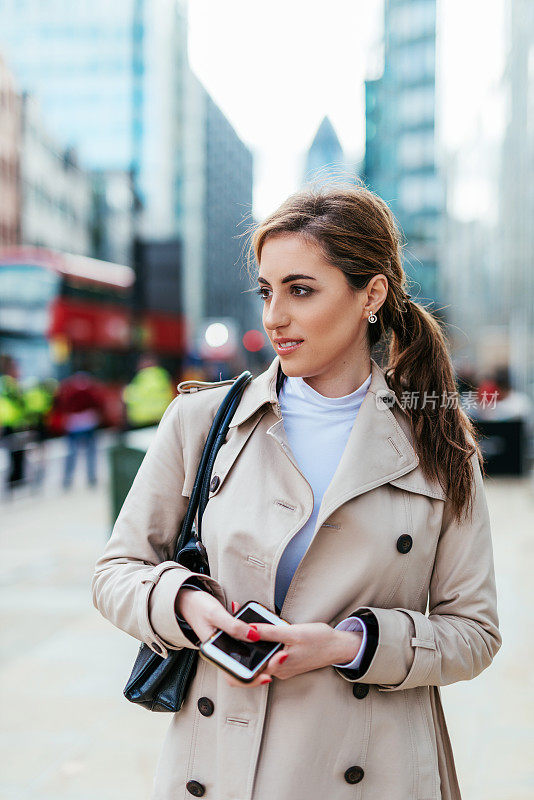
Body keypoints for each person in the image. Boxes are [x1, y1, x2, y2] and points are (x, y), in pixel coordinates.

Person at [92, 181, 501, 800]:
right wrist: (185, 605)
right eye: (266, 290)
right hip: (222, 760)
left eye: (301, 290)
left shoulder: (438, 444)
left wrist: (349, 645)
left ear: (372, 295)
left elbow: (474, 632)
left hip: (374, 765)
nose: (274, 316)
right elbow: (116, 570)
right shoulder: (203, 422)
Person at [54, 370, 105, 488]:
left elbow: (62, 405)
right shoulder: (91, 388)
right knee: (88, 453)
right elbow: (99, 403)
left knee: (73, 453)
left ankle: (68, 480)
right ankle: (90, 478)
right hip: (87, 423)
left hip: (74, 424)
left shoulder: (68, 388)